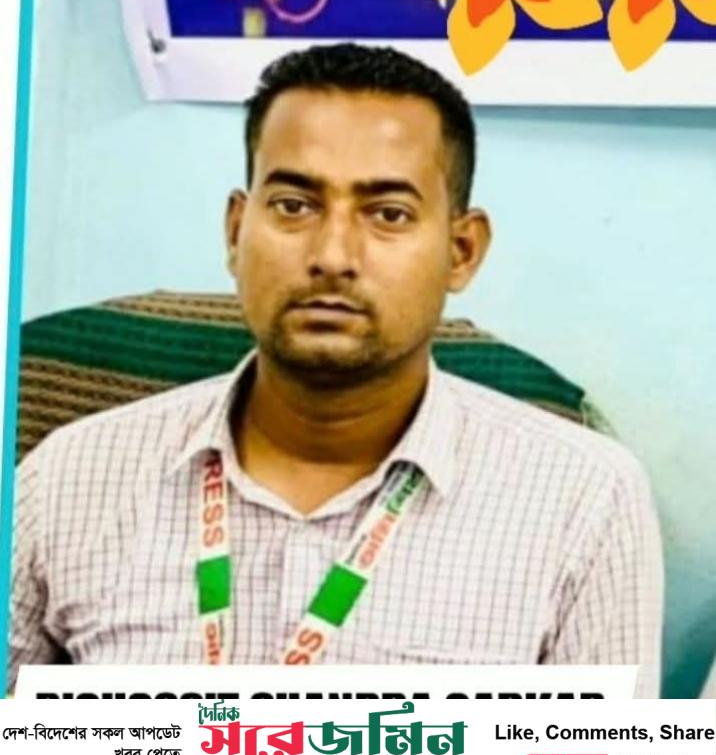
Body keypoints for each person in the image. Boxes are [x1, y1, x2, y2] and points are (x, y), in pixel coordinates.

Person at [8, 44, 663, 693]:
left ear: (461, 251)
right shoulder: (67, 478)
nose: (332, 255)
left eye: (388, 214)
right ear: (236, 231)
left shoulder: (584, 500)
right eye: (294, 205)